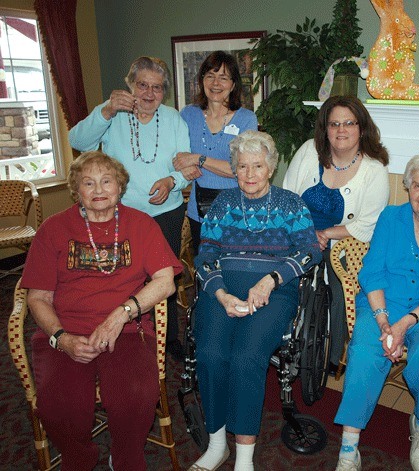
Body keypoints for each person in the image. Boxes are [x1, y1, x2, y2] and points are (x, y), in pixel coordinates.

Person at [21, 151, 182, 471]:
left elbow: (166, 283)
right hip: (66, 329)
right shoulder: (53, 229)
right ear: (76, 189)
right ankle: (78, 455)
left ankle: (125, 456)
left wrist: (121, 314)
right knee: (58, 404)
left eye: (107, 181)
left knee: (135, 395)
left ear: (120, 186)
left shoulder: (141, 224)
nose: (98, 189)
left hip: (126, 330)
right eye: (88, 182)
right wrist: (61, 337)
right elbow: (37, 297)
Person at [190, 130, 322, 471]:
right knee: (210, 353)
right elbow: (204, 254)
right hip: (222, 287)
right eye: (243, 166)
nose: (250, 174)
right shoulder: (223, 204)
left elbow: (311, 251)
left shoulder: (291, 204)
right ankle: (217, 443)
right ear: (234, 169)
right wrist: (219, 293)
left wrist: (271, 279)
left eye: (257, 166)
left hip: (275, 290)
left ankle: (244, 457)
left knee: (247, 355)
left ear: (271, 168)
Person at [333, 153, 419, 471]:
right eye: (417, 186)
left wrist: (405, 324)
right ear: (407, 187)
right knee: (365, 351)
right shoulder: (390, 219)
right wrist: (383, 321)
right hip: (385, 303)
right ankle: (349, 445)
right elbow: (373, 272)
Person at [69, 56, 199, 359]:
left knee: (163, 278)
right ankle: (129, 334)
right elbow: (78, 140)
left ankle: (168, 337)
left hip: (164, 213)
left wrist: (170, 181)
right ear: (130, 84)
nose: (149, 94)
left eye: (156, 87)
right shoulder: (113, 112)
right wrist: (106, 110)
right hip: (120, 215)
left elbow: (187, 168)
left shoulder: (173, 119)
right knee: (123, 275)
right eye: (142, 85)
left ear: (163, 91)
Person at [283, 95, 390, 376]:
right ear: (325, 129)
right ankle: (280, 337)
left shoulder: (374, 170)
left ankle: (328, 356)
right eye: (334, 124)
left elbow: (367, 224)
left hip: (342, 242)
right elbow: (288, 197)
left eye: (349, 123)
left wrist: (326, 234)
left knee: (337, 281)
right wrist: (305, 233)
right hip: (297, 232)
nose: (341, 130)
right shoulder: (308, 151)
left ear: (362, 128)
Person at [174, 51, 258, 253]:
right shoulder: (187, 115)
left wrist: (198, 159)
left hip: (236, 212)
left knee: (234, 272)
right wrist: (184, 165)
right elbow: (177, 156)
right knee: (205, 271)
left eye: (223, 77)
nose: (216, 83)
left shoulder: (246, 119)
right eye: (210, 75)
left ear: (233, 84)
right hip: (199, 212)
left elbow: (243, 169)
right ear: (202, 79)